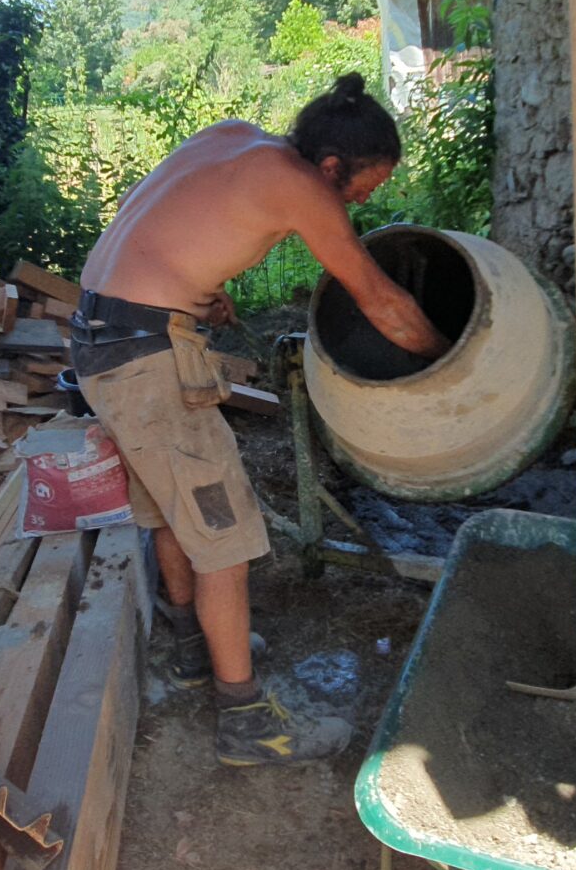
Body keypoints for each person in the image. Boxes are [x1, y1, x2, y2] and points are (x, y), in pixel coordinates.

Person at [73, 73, 448, 766]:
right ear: (331, 165)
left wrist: (197, 294)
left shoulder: (233, 140)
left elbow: (161, 228)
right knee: (227, 536)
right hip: (144, 359)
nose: (367, 200)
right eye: (364, 186)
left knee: (171, 510)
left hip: (104, 333)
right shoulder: (300, 184)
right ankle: (246, 722)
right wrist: (448, 363)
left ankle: (192, 649)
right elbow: (381, 301)